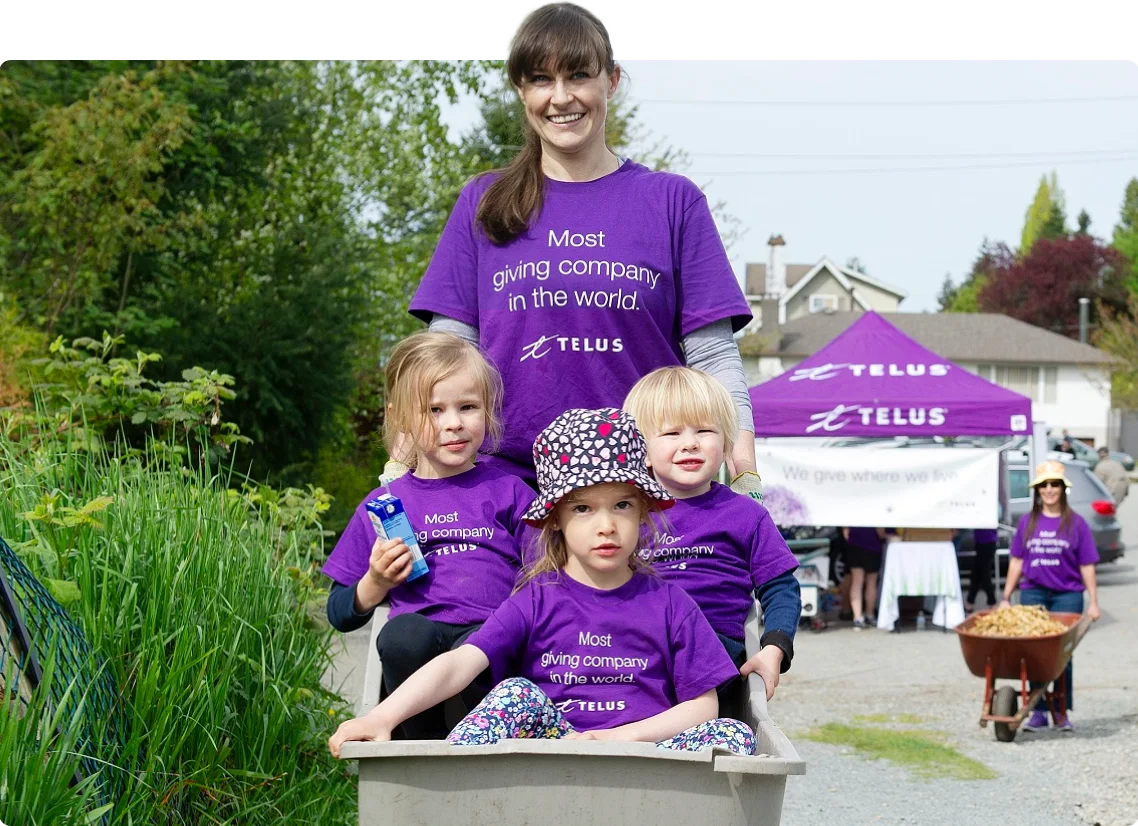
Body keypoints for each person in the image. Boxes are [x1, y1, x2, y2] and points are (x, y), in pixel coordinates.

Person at [406, 0, 759, 495]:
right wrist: (407, 465)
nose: (561, 97)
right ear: (520, 89)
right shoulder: (482, 203)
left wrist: (743, 469)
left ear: (611, 80)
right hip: (500, 487)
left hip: (640, 492)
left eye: (578, 75)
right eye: (541, 79)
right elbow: (444, 358)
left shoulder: (672, 202)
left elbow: (714, 357)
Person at [328, 407, 755, 758]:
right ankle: (448, 797)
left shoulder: (671, 603)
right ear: (555, 519)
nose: (606, 525)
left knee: (735, 735)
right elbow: (459, 664)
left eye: (622, 505)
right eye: (583, 509)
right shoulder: (536, 600)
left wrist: (620, 738)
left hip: (644, 753)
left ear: (643, 511)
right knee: (515, 692)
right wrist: (381, 717)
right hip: (552, 752)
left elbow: (704, 705)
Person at [321, 332, 536, 739]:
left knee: (494, 641)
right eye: (434, 410)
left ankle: (486, 740)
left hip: (488, 638)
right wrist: (375, 583)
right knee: (402, 636)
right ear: (401, 417)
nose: (453, 423)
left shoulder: (508, 491)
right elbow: (338, 611)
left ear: (487, 410)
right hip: (419, 641)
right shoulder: (386, 504)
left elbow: (547, 572)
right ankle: (417, 742)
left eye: (467, 407)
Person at [622, 367, 801, 702]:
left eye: (704, 430)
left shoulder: (746, 515)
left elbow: (781, 588)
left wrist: (774, 648)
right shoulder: (626, 514)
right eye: (671, 433)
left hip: (713, 656)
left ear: (726, 442)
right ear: (642, 449)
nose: (690, 443)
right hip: (633, 652)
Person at [1000, 460, 1101, 733]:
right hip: (1033, 593)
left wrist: (1093, 601)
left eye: (1054, 484)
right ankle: (1038, 711)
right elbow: (1017, 561)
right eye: (1043, 485)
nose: (1049, 489)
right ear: (1037, 490)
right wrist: (1007, 595)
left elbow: (1087, 565)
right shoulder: (1028, 523)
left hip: (1067, 596)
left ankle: (1060, 711)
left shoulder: (1076, 524)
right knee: (1033, 653)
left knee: (1062, 656)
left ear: (1062, 489)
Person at [842, 527, 886, 629]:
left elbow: (845, 533)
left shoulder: (850, 510)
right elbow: (881, 533)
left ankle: (858, 618)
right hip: (873, 546)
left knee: (856, 582)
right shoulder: (874, 511)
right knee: (871, 582)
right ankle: (870, 615)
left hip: (854, 546)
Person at [965, 527, 998, 612]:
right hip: (980, 541)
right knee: (977, 573)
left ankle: (992, 602)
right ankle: (970, 601)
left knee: (983, 574)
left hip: (987, 541)